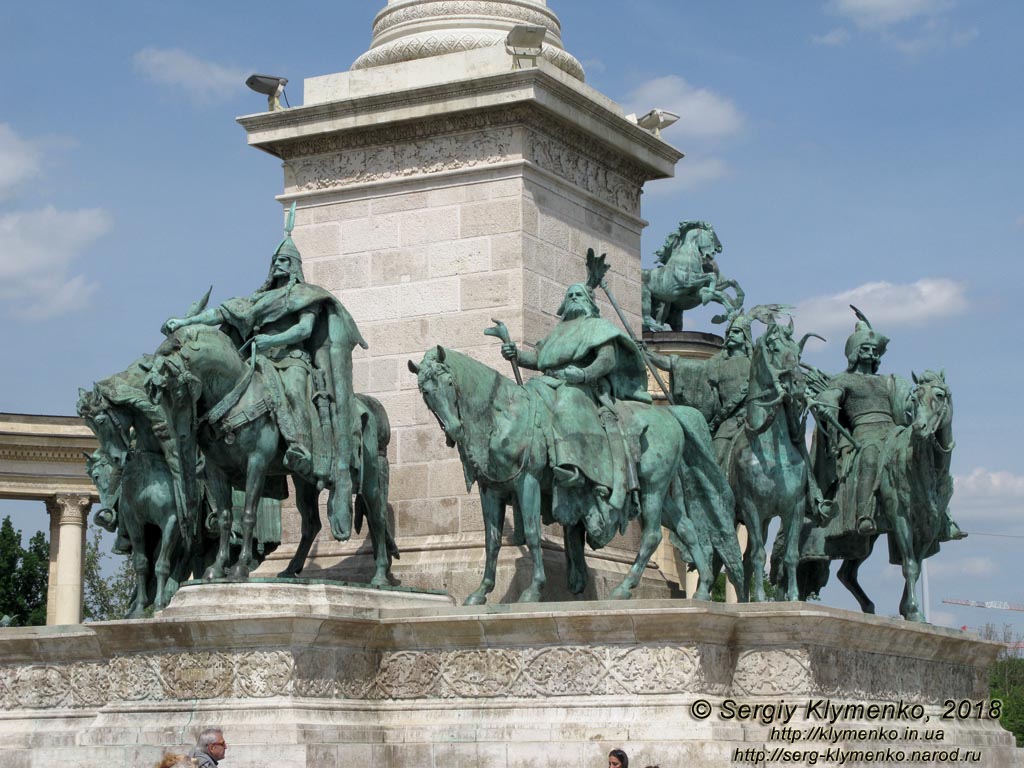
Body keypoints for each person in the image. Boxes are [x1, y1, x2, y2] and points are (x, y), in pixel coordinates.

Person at [164, 203, 367, 536]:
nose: (280, 266)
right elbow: (220, 314)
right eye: (277, 261)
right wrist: (186, 322)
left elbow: (303, 331)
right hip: (258, 361)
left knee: (291, 392)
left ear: (296, 266)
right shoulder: (258, 299)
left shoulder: (305, 295)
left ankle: (299, 446)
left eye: (286, 261)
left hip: (292, 361)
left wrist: (273, 341)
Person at [500, 282, 650, 543]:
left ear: (590, 302)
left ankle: (572, 468)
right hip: (550, 382)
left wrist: (582, 373)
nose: (572, 298)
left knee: (565, 408)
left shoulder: (597, 327)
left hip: (583, 387)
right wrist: (516, 354)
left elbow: (607, 360)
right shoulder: (558, 332)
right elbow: (539, 359)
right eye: (569, 295)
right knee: (525, 402)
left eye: (578, 294)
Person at [811, 308, 963, 553]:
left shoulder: (888, 380)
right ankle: (864, 514)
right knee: (870, 455)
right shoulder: (843, 380)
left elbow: (907, 400)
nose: (870, 353)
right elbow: (832, 394)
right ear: (854, 353)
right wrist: (827, 402)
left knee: (926, 459)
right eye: (865, 349)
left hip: (893, 431)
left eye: (874, 350)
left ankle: (944, 517)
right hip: (863, 432)